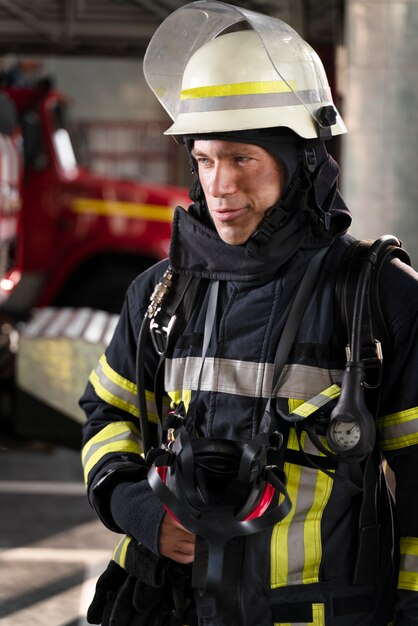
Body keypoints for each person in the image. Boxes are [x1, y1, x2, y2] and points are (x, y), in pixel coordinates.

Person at [80, 2, 418, 625]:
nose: (220, 185)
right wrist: (135, 508)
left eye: (243, 159)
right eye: (205, 161)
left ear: (299, 167)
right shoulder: (159, 295)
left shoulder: (379, 298)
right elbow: (109, 413)